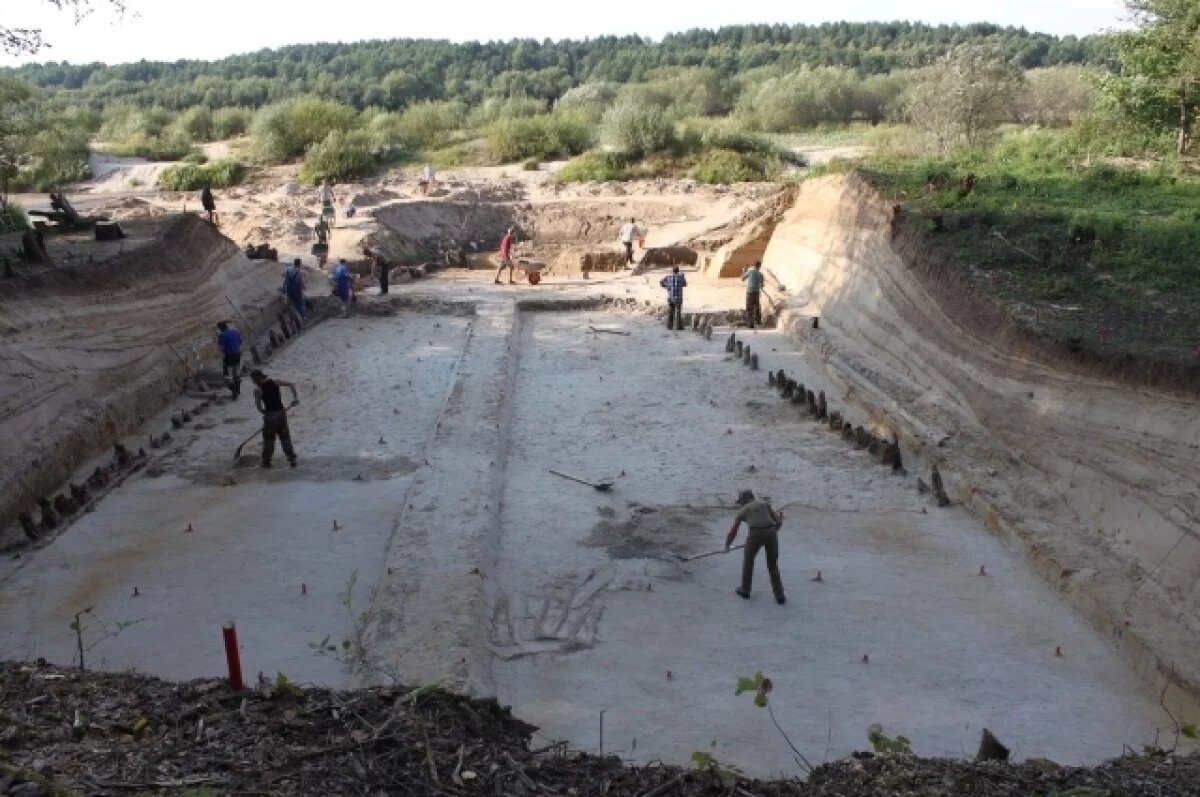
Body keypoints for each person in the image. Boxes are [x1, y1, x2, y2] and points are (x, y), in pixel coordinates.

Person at [725, 489, 786, 605]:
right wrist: (771, 532)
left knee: (748, 561)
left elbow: (733, 532)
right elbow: (778, 521)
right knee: (773, 565)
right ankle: (780, 596)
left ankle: (745, 590)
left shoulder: (743, 511)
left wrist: (727, 546)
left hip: (755, 533)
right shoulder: (764, 504)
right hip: (772, 532)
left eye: (741, 502)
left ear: (743, 500)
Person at [249, 369, 298, 469]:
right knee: (285, 438)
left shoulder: (257, 390)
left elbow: (259, 407)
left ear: (257, 378)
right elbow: (291, 384)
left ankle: (266, 462)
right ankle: (292, 459)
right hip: (281, 414)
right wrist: (295, 398)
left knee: (269, 440)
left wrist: (265, 413)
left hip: (270, 417)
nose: (253, 381)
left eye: (253, 379)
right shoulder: (275, 382)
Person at [216, 321, 243, 399]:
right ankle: (238, 390)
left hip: (229, 357)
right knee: (236, 374)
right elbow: (240, 342)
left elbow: (221, 348)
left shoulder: (222, 335)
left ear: (220, 328)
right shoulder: (236, 332)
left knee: (228, 376)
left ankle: (234, 392)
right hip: (237, 355)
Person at [659, 265, 687, 331]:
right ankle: (678, 327)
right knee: (678, 312)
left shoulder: (668, 277)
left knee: (671, 312)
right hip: (679, 298)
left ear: (672, 271)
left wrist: (667, 286)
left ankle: (669, 326)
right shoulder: (681, 277)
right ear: (678, 270)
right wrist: (683, 276)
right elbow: (685, 284)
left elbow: (661, 282)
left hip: (670, 298)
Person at [742, 261, 765, 328]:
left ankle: (750, 323)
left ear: (754, 266)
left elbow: (742, 278)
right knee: (757, 306)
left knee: (749, 308)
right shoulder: (761, 274)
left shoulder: (750, 272)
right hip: (756, 292)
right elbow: (762, 285)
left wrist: (743, 271)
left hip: (750, 292)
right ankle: (758, 321)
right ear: (759, 266)